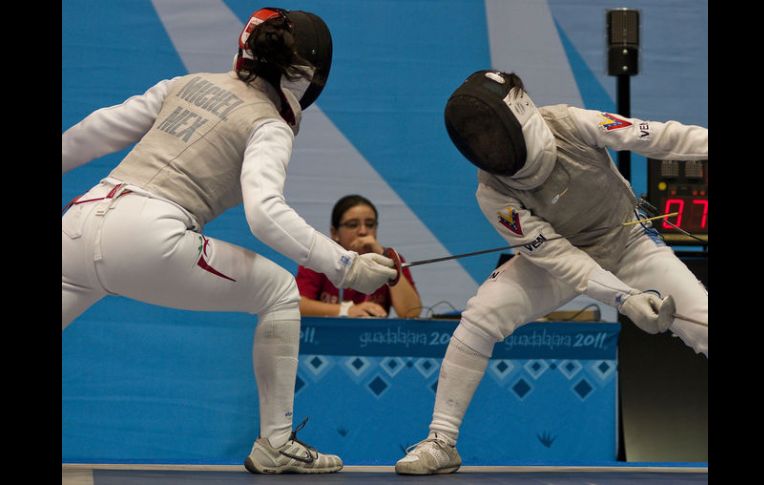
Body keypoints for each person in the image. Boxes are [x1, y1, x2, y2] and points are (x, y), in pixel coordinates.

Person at [61, 7, 397, 475]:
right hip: (149, 234)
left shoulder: (185, 83)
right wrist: (345, 266)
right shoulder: (269, 124)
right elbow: (265, 215)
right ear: (308, 79)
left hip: (76, 224)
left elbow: (93, 131)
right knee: (280, 292)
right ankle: (276, 443)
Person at [394, 70, 708, 475]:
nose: (489, 146)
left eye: (493, 133)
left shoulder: (572, 123)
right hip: (562, 255)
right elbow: (561, 258)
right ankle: (441, 441)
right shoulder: (493, 191)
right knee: (481, 316)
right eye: (479, 139)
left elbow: (656, 136)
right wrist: (625, 299)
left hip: (630, 241)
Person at [296, 194, 422, 318]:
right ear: (335, 233)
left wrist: (386, 260)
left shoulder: (391, 261)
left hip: (372, 337)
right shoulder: (319, 258)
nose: (363, 231)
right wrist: (346, 311)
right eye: (352, 225)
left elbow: (411, 312)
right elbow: (298, 305)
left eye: (370, 224)